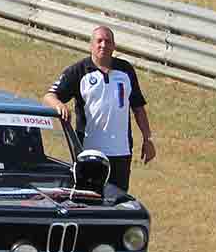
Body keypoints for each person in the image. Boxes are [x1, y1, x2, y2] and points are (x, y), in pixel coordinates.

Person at [41, 25, 155, 191]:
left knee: (118, 201)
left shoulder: (126, 71)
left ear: (114, 46)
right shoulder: (78, 72)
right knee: (88, 200)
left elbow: (138, 108)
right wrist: (59, 105)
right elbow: (49, 96)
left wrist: (147, 139)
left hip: (121, 153)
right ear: (91, 45)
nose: (103, 45)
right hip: (89, 152)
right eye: (99, 41)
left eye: (107, 41)